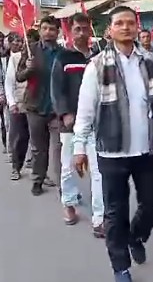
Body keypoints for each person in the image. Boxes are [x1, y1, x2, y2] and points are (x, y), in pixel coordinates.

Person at [73, 5, 153, 282]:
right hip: (112, 152)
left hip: (146, 149)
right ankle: (120, 267)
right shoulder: (96, 66)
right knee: (116, 211)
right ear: (110, 30)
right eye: (119, 23)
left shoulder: (150, 61)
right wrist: (79, 148)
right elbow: (85, 110)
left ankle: (136, 236)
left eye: (130, 23)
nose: (125, 27)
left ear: (137, 27)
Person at [50, 12, 104, 236]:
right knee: (70, 167)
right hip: (71, 123)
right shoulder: (63, 57)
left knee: (99, 171)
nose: (81, 33)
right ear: (69, 32)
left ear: (91, 30)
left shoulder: (99, 56)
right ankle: (69, 202)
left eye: (85, 28)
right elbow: (57, 90)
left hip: (97, 122)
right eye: (77, 29)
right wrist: (65, 114)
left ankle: (99, 217)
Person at [16, 17, 62, 196]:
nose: (48, 32)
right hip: (35, 107)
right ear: (40, 30)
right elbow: (19, 76)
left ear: (58, 32)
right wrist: (29, 69)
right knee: (38, 149)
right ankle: (38, 179)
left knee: (59, 150)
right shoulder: (31, 50)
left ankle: (62, 185)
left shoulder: (64, 53)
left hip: (57, 109)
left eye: (52, 29)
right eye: (45, 28)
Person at [5, 31, 33, 178]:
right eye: (26, 42)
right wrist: (11, 102)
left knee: (39, 141)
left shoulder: (39, 58)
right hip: (19, 104)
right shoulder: (15, 58)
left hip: (36, 105)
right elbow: (9, 83)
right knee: (20, 138)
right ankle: (16, 167)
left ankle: (39, 171)